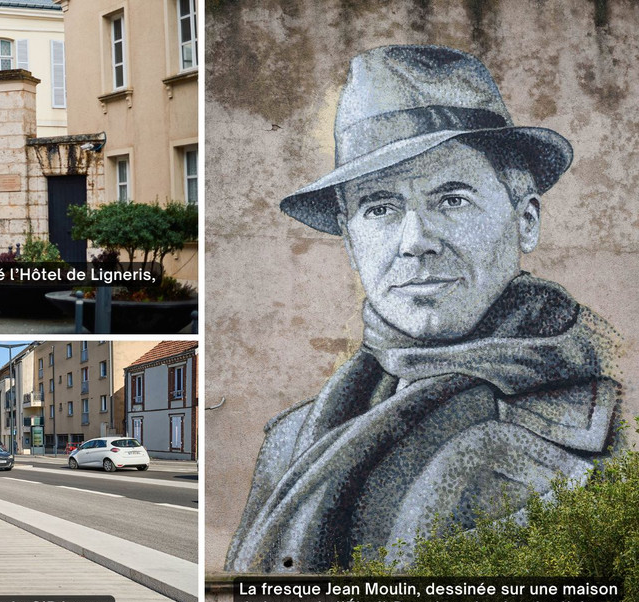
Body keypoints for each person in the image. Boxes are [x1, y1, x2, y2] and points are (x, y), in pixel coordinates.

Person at [226, 45, 624, 574]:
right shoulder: (291, 440)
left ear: (525, 220)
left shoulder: (617, 423)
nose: (416, 241)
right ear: (350, 242)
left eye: (452, 199)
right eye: (382, 208)